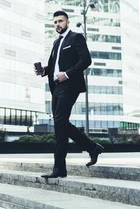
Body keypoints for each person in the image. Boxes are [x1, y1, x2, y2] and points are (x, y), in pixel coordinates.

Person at [34, 10, 103, 178]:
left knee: (59, 121)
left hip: (70, 85)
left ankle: (59, 168)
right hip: (56, 87)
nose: (58, 24)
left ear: (67, 22)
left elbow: (86, 60)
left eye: (61, 21)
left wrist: (67, 74)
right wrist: (44, 70)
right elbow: (55, 67)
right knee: (60, 124)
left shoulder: (75, 38)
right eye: (55, 22)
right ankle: (91, 147)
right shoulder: (56, 43)